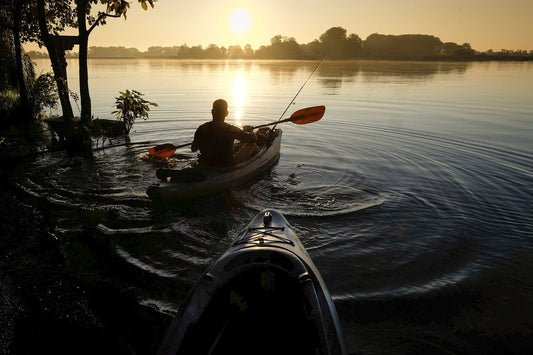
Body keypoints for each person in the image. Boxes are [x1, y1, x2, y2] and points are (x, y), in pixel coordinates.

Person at [191, 99, 259, 167]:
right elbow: (253, 139)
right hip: (227, 165)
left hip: (206, 164)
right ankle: (259, 159)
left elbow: (193, 149)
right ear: (226, 113)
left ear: (212, 112)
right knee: (252, 144)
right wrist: (249, 131)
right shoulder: (231, 129)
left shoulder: (202, 128)